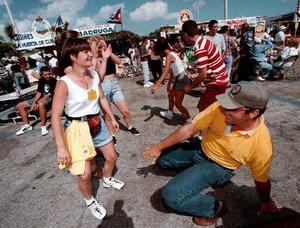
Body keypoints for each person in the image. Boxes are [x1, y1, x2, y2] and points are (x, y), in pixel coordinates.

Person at [143, 83, 282, 226]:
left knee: (171, 196)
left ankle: (215, 209)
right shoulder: (220, 108)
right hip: (200, 148)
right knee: (161, 159)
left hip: (218, 166)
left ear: (253, 112)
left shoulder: (262, 144)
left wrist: (266, 202)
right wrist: (158, 147)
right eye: (226, 103)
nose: (223, 109)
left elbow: (262, 180)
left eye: (231, 108)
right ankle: (193, 173)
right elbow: (190, 128)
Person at [51, 37, 124, 221]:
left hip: (97, 123)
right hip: (77, 128)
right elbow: (55, 116)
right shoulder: (64, 83)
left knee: (112, 157)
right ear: (74, 57)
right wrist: (61, 147)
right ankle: (90, 200)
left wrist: (111, 116)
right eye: (86, 52)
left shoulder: (92, 76)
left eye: (89, 51)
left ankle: (107, 178)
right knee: (85, 175)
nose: (91, 54)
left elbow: (101, 98)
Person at [88, 35, 140, 146]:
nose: (101, 45)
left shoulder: (108, 54)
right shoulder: (94, 58)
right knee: (107, 115)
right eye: (98, 44)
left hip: (114, 84)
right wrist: (99, 55)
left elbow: (118, 61)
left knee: (125, 111)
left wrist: (108, 52)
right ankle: (112, 135)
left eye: (102, 42)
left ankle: (130, 127)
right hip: (103, 86)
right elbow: (97, 73)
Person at [182, 20, 229, 112]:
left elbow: (203, 74)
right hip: (220, 78)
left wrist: (190, 87)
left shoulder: (199, 48)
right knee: (214, 108)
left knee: (204, 109)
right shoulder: (204, 40)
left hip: (217, 81)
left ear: (186, 35)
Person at [151, 37, 191, 121]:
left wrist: (156, 85)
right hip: (179, 78)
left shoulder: (169, 56)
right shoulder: (172, 53)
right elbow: (173, 70)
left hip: (181, 79)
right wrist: (169, 84)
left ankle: (190, 120)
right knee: (170, 96)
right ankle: (169, 114)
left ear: (161, 49)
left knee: (178, 104)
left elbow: (165, 72)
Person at [15, 66, 56, 136]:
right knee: (20, 105)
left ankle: (43, 126)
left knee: (41, 104)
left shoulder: (54, 81)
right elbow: (39, 92)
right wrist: (34, 103)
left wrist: (39, 102)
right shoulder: (41, 80)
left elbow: (50, 94)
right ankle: (27, 126)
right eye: (45, 75)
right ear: (41, 75)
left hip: (50, 98)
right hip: (42, 98)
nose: (48, 76)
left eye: (49, 74)